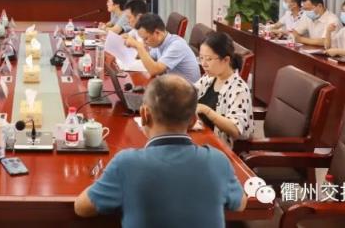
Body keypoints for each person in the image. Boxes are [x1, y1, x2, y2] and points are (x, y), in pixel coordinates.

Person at [74, 75, 247, 227]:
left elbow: (81, 208)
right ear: (193, 121)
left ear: (144, 114)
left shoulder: (126, 164)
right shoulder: (218, 161)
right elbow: (240, 204)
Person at [194, 32, 254, 148]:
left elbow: (235, 129)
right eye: (201, 58)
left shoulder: (239, 89)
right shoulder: (209, 78)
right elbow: (190, 94)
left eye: (209, 59)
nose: (203, 64)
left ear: (226, 60)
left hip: (222, 148)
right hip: (204, 137)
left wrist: (207, 111)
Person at [125, 14, 200, 84]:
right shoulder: (159, 43)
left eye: (146, 38)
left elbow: (154, 70)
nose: (144, 42)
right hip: (173, 85)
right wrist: (133, 49)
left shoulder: (177, 45)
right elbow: (150, 57)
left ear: (157, 33)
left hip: (187, 90)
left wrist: (139, 47)